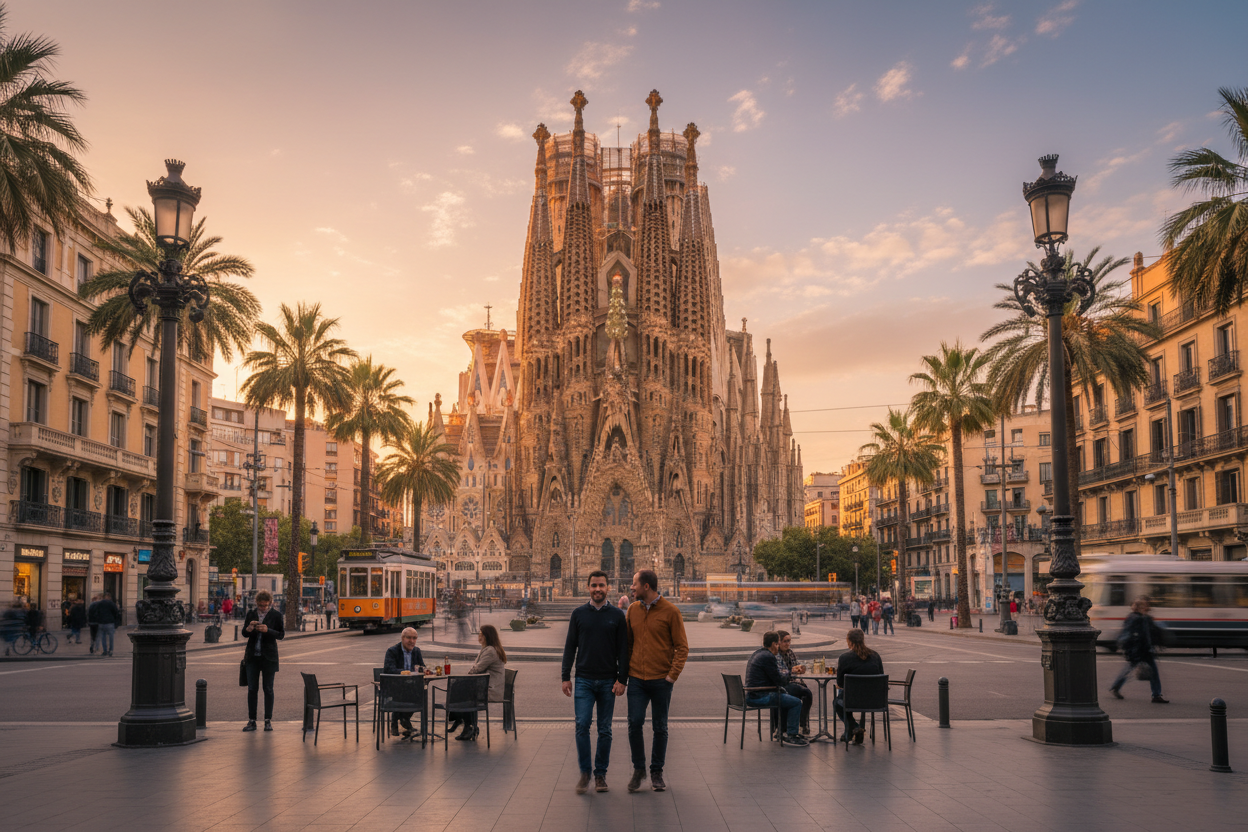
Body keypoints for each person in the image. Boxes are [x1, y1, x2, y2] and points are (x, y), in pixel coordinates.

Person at [562, 571, 629, 795]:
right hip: (584, 679)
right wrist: (565, 676)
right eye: (593, 585)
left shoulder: (617, 615)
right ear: (588, 587)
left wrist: (622, 679)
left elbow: (623, 650)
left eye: (601, 585)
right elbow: (570, 646)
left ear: (608, 588)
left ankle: (600, 774)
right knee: (582, 725)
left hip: (609, 680)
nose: (597, 589)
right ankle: (585, 772)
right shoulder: (578, 614)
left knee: (605, 729)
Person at [625, 569, 688, 794]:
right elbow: (628, 644)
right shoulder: (632, 610)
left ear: (646, 586)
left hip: (661, 680)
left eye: (634, 584)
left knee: (660, 727)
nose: (631, 587)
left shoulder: (671, 611)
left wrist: (672, 675)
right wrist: (624, 673)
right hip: (637, 679)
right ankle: (639, 769)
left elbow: (682, 647)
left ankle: (656, 771)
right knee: (634, 723)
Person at [744, 631, 809, 747]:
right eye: (778, 644)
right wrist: (789, 673)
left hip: (754, 694)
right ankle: (792, 735)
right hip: (760, 696)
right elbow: (779, 680)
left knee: (787, 696)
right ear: (774, 644)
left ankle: (783, 731)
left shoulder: (758, 653)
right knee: (796, 702)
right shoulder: (768, 657)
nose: (778, 647)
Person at [450, 624, 507, 742]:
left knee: (461, 690)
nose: (479, 636)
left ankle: (465, 723)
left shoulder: (490, 651)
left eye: (481, 634)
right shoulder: (487, 648)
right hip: (486, 686)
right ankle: (466, 724)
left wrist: (467, 675)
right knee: (459, 687)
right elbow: (477, 668)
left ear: (487, 636)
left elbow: (477, 668)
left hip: (491, 689)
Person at [1109, 597, 1169, 703]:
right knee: (1154, 672)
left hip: (1135, 649)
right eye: (1145, 605)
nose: (1147, 607)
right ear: (1141, 607)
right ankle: (1156, 695)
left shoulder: (1131, 617)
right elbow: (1144, 635)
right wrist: (1149, 647)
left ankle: (1116, 686)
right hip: (1143, 649)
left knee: (1130, 668)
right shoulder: (1141, 619)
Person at [242, 590, 285, 732]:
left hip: (269, 657)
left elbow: (281, 634)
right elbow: (244, 633)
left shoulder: (276, 615)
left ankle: (267, 720)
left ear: (270, 603)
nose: (262, 608)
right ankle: (252, 720)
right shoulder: (251, 614)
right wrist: (249, 628)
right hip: (252, 657)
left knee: (268, 689)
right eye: (260, 605)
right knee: (252, 689)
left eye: (265, 605)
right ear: (256, 603)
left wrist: (268, 630)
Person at [833, 628, 884, 744]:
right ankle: (852, 730)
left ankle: (853, 727)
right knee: (843, 696)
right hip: (874, 700)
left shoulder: (845, 658)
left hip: (852, 701)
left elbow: (840, 683)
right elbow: (881, 676)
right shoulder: (875, 656)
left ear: (849, 641)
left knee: (837, 702)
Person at [383, 626, 426, 738]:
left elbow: (421, 667)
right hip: (395, 686)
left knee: (421, 693)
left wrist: (425, 670)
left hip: (411, 686)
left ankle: (404, 719)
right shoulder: (392, 651)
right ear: (402, 638)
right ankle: (399, 720)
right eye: (409, 638)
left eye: (414, 638)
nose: (412, 641)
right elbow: (389, 669)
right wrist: (405, 672)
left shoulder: (416, 651)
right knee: (408, 692)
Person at [775, 630, 813, 735]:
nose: (788, 644)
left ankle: (802, 723)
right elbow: (781, 672)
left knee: (805, 692)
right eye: (785, 641)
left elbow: (796, 666)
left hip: (793, 682)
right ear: (779, 642)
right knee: (806, 693)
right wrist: (791, 671)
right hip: (783, 684)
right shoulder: (776, 654)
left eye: (789, 641)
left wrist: (800, 669)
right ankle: (800, 724)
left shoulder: (790, 652)